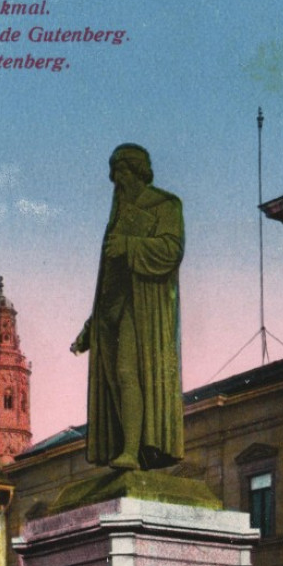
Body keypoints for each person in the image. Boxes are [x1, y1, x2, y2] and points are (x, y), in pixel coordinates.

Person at [71, 144, 185, 470]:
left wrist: (129, 246)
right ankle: (128, 448)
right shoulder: (117, 217)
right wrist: (90, 328)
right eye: (114, 175)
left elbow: (171, 249)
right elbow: (108, 282)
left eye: (120, 173)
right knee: (116, 380)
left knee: (127, 372)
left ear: (136, 171)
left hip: (147, 309)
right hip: (114, 312)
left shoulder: (165, 204)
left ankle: (132, 451)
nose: (116, 182)